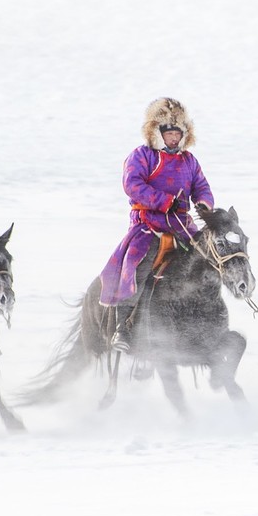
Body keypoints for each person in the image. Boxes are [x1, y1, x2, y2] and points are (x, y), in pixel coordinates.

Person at [98, 97, 215, 353]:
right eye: (169, 133)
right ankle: (123, 329)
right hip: (148, 226)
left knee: (208, 260)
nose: (174, 138)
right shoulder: (142, 156)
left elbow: (201, 186)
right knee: (137, 267)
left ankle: (205, 324)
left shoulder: (190, 161)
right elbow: (133, 185)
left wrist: (204, 204)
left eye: (177, 133)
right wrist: (164, 202)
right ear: (157, 133)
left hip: (183, 227)